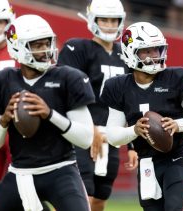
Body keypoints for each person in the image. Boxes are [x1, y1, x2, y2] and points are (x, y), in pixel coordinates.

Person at [0, 14, 95, 211]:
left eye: (47, 43)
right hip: (20, 172)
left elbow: (86, 138)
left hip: (60, 169)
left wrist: (50, 114)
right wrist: (4, 120)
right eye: (37, 45)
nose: (46, 50)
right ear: (17, 47)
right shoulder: (0, 82)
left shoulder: (69, 77)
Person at [100, 22, 183, 211]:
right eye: (147, 51)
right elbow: (112, 135)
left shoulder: (176, 77)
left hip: (176, 158)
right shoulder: (117, 87)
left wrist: (177, 124)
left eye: (157, 49)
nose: (154, 56)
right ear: (130, 53)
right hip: (146, 164)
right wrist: (134, 130)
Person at [58, 0, 138, 210]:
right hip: (81, 132)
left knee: (101, 197)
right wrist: (89, 128)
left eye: (114, 20)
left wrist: (131, 144)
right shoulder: (78, 48)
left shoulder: (126, 54)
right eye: (105, 19)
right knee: (80, 195)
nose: (110, 25)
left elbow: (129, 101)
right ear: (93, 19)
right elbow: (67, 92)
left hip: (111, 135)